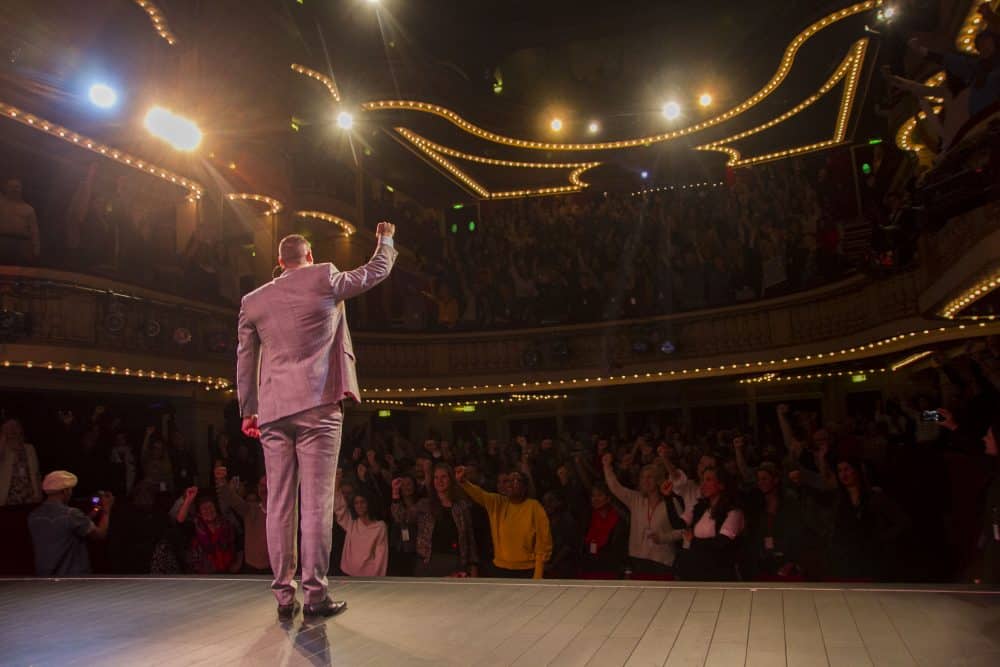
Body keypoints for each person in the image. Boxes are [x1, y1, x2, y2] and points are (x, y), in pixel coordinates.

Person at [237, 224, 397, 620]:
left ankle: (283, 597)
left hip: (273, 410)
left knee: (278, 504)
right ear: (308, 257)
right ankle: (314, 595)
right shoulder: (324, 277)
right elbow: (373, 273)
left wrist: (248, 410)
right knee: (316, 503)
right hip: (318, 405)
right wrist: (385, 240)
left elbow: (244, 359)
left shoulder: (253, 300)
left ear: (279, 263)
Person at [456, 467, 552, 578]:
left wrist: (538, 576)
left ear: (525, 487)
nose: (511, 484)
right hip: (500, 569)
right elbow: (479, 494)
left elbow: (543, 544)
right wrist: (463, 482)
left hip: (527, 570)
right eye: (508, 481)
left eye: (516, 480)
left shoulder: (534, 507)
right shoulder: (497, 503)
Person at [602, 453, 683, 577]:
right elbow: (615, 487)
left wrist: (664, 538)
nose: (645, 480)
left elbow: (682, 531)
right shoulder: (636, 499)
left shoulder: (671, 501)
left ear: (658, 480)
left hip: (662, 561)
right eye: (643, 477)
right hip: (638, 560)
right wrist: (607, 466)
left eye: (650, 477)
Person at [391, 463, 478, 577]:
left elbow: (469, 537)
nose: (439, 481)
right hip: (428, 562)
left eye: (443, 477)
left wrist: (473, 564)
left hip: (454, 562)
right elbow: (402, 518)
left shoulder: (461, 506)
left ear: (451, 479)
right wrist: (395, 494)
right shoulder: (425, 504)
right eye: (436, 477)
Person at [28, 471, 113, 576]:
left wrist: (94, 512)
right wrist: (106, 510)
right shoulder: (71, 514)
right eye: (70, 490)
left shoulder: (33, 515)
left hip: (45, 577)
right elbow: (100, 535)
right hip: (72, 577)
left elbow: (63, 529)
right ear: (65, 491)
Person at [679, 467, 744, 581]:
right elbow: (678, 524)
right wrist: (668, 497)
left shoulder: (734, 512)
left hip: (719, 574)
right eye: (702, 480)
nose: (703, 485)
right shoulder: (701, 508)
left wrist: (693, 540)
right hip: (697, 570)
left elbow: (721, 542)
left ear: (721, 485)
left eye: (708, 480)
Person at [215, 465, 270, 574]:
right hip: (251, 568)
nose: (264, 489)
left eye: (268, 485)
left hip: (274, 569)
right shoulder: (250, 509)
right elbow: (229, 496)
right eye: (261, 485)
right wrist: (221, 480)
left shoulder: (283, 513)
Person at [175, 486, 241, 575]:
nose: (208, 510)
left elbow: (239, 544)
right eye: (204, 509)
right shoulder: (195, 526)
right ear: (199, 514)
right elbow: (180, 520)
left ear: (216, 509)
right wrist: (188, 499)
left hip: (228, 573)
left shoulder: (227, 525)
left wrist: (238, 563)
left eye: (210, 507)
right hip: (202, 575)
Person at [334, 472, 388, 577]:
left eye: (362, 502)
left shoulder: (380, 526)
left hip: (369, 578)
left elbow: (381, 556)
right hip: (348, 575)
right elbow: (339, 508)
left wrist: (377, 580)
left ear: (369, 503)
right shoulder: (352, 523)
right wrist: (337, 482)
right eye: (356, 503)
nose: (359, 506)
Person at [578, 482, 628, 579]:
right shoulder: (587, 517)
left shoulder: (618, 520)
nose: (595, 499)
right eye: (593, 496)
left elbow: (619, 552)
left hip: (609, 568)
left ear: (608, 498)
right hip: (590, 566)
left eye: (599, 495)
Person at [0, 418, 42, 505]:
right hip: (7, 499)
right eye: (9, 427)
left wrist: (38, 494)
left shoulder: (29, 448)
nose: (13, 430)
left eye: (15, 426)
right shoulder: (3, 449)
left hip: (29, 498)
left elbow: (36, 473)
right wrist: (2, 439)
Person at [0, 178, 40, 265]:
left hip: (22, 245)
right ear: (6, 188)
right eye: (11, 186)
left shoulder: (28, 209)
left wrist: (36, 250)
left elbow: (34, 231)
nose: (14, 189)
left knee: (20, 271)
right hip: (2, 242)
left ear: (21, 189)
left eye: (16, 187)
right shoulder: (1, 204)